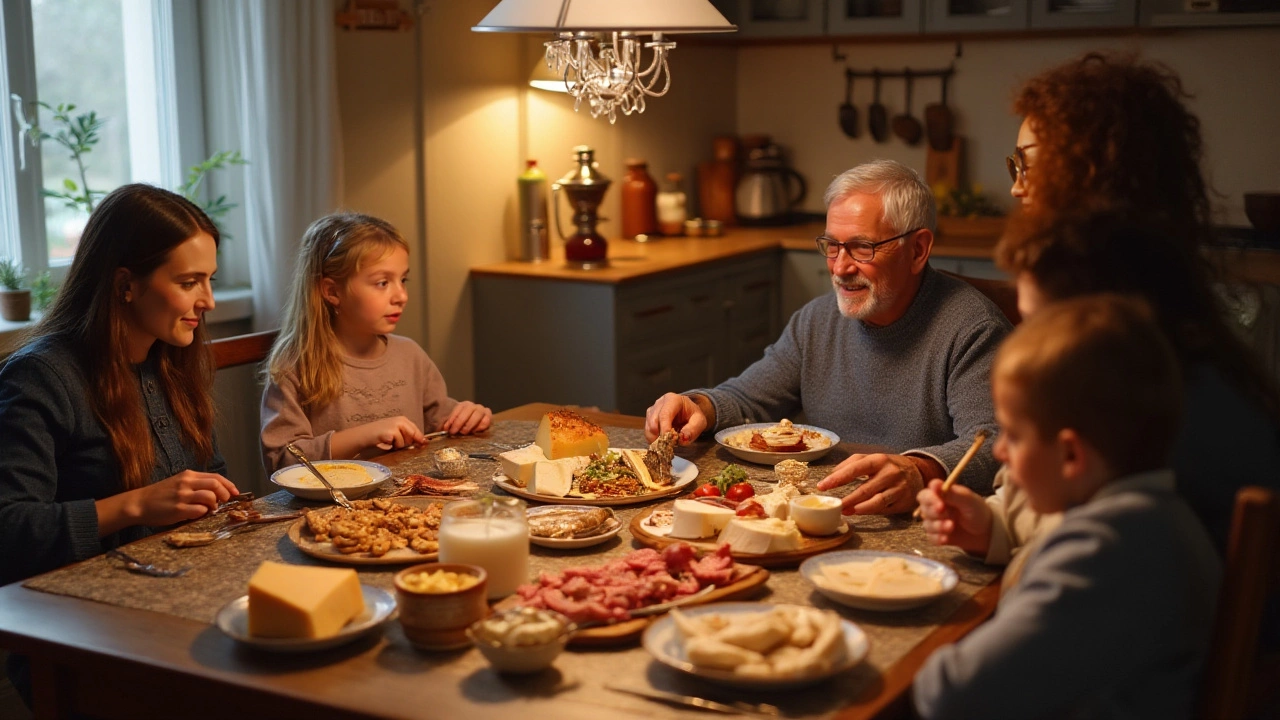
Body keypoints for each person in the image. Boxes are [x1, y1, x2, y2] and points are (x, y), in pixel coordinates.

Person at [920, 52, 1280, 564]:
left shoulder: (1142, 374)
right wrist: (996, 524)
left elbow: (1100, 557)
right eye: (1014, 163)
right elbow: (1047, 507)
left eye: (1031, 162)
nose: (1017, 186)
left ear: (1103, 178)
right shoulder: (1133, 323)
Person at [912, 295, 1221, 720]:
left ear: (1071, 456)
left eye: (1015, 436)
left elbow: (950, 693)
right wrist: (991, 532)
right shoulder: (1154, 515)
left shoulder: (1103, 553)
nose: (1000, 451)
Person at [645, 160, 1011, 513]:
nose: (840, 267)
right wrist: (700, 406)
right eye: (831, 245)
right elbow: (748, 399)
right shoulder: (816, 320)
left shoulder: (973, 328)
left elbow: (996, 442)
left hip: (922, 528)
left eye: (862, 247)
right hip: (821, 509)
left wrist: (921, 469)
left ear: (917, 250)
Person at [0, 184, 238, 587]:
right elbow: (10, 528)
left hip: (179, 582)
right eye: (188, 282)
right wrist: (136, 505)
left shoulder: (172, 359)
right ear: (125, 284)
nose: (209, 301)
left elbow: (211, 475)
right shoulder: (41, 377)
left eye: (210, 279)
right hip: (78, 616)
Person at [260, 212, 491, 474]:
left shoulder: (410, 356)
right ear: (332, 291)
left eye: (403, 280)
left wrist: (469, 415)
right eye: (382, 283)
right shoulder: (295, 364)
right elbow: (282, 460)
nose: (401, 296)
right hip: (331, 509)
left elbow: (443, 424)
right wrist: (366, 435)